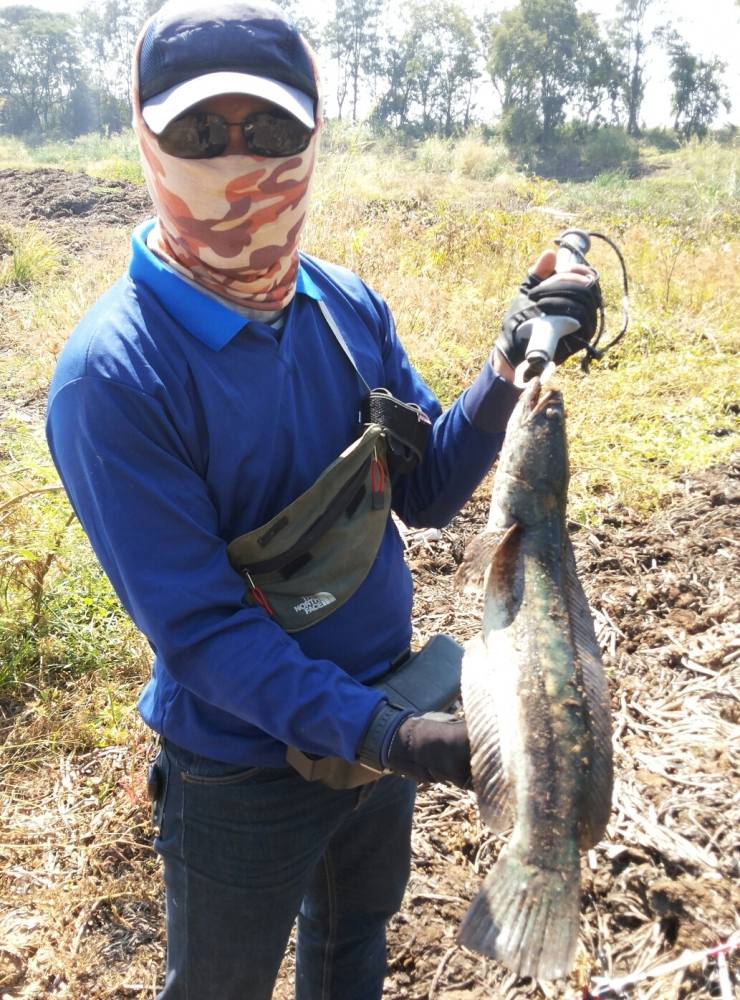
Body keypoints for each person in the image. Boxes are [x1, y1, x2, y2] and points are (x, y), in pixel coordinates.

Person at [45, 2, 602, 998]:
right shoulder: (115, 378)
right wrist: (394, 737)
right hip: (242, 772)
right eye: (196, 133)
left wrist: (511, 358)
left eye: (265, 131)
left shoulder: (340, 305)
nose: (233, 161)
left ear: (311, 138)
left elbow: (426, 487)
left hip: (382, 715)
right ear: (143, 138)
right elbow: (205, 634)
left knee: (351, 948)